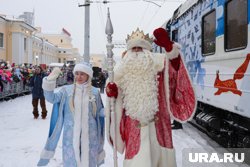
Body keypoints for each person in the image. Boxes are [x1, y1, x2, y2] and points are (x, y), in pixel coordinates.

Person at [105, 28, 196, 167]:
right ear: (128, 51)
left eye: (140, 48)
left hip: (158, 124)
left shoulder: (159, 64)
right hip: (133, 127)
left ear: (147, 51)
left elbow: (175, 71)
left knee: (159, 159)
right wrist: (113, 92)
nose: (136, 52)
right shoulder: (121, 70)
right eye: (133, 48)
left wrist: (170, 48)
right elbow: (115, 98)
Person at [37, 63, 105, 167]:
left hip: (91, 136)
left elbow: (100, 111)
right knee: (72, 162)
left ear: (88, 75)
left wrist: (110, 110)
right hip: (71, 136)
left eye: (82, 74)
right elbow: (52, 98)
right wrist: (49, 81)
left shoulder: (95, 92)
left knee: (89, 162)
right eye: (77, 73)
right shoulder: (66, 90)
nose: (79, 77)